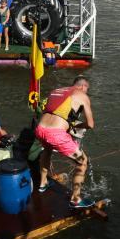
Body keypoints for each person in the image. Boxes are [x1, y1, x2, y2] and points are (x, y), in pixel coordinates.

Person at [35, 75, 96, 208]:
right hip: (56, 134)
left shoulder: (57, 90)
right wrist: (77, 126)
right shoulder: (82, 95)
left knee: (47, 150)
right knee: (82, 161)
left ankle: (43, 183)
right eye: (87, 89)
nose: (86, 92)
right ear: (83, 86)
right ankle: (75, 199)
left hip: (40, 129)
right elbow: (90, 124)